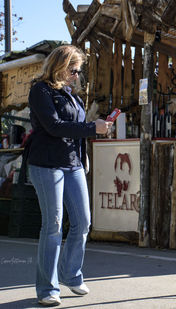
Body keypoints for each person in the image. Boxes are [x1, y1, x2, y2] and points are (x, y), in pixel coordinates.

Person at [27, 45, 112, 306]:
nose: (77, 75)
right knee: (52, 226)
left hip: (73, 164)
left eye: (78, 71)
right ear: (60, 66)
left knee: (83, 222)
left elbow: (73, 130)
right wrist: (91, 127)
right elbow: (54, 126)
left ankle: (70, 274)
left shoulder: (71, 95)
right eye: (73, 70)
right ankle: (47, 289)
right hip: (47, 164)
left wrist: (84, 152)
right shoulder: (40, 90)